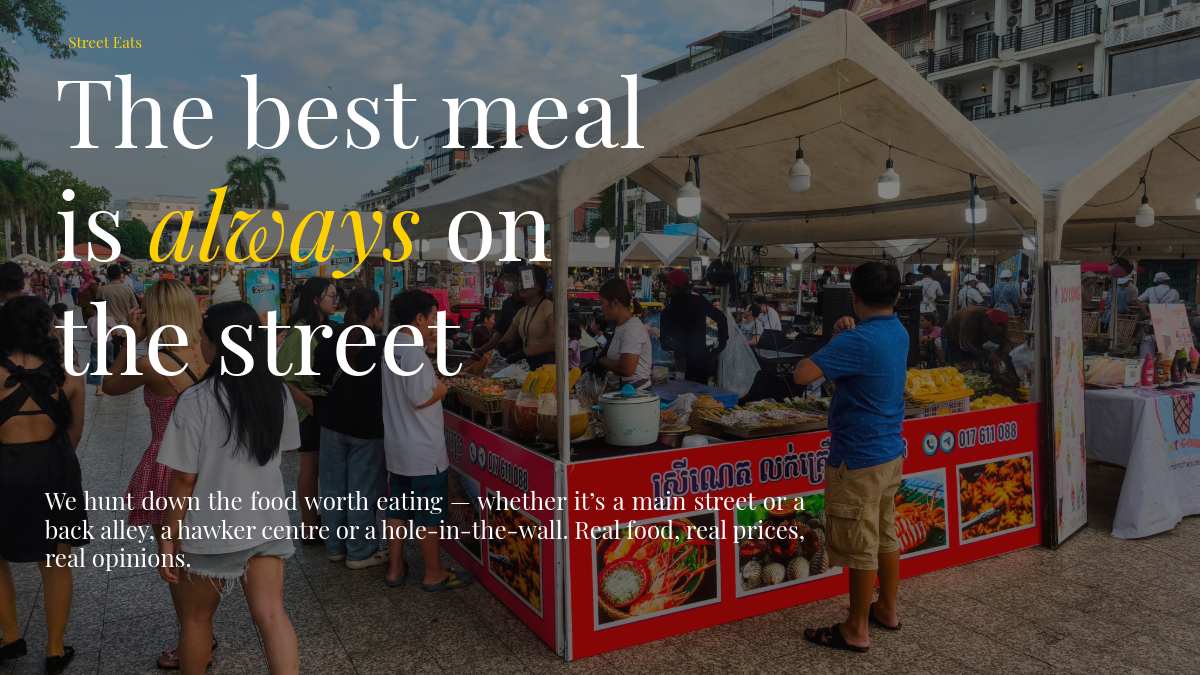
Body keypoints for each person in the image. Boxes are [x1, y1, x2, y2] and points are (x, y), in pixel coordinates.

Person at [156, 301, 300, 675]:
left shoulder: (196, 400)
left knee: (197, 620)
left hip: (213, 528)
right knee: (271, 614)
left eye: (203, 337)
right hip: (267, 521)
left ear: (219, 344)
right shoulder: (277, 392)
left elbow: (184, 479)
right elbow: (282, 451)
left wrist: (169, 536)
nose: (199, 343)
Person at [790, 262, 907, 653]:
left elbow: (802, 375)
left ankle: (856, 628)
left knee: (860, 545)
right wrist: (846, 337)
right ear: (898, 297)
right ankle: (887, 608)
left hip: (858, 457)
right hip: (890, 452)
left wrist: (835, 343)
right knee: (885, 535)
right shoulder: (898, 331)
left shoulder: (856, 342)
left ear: (854, 297)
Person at [99, 280, 208, 669]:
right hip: (208, 467)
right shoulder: (204, 352)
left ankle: (192, 641)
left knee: (175, 563)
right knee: (202, 558)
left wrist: (131, 338)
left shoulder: (152, 362)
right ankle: (204, 630)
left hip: (167, 466)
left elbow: (108, 387)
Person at [0, 297, 87, 674]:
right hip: (53, 469)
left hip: (3, 467)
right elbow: (74, 435)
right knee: (56, 560)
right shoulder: (68, 374)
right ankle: (54, 647)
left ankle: (11, 636)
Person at [382, 290, 473, 591]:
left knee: (397, 511)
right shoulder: (413, 353)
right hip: (422, 450)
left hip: (397, 447)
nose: (434, 324)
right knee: (428, 515)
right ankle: (433, 573)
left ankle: (395, 569)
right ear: (419, 318)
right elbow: (421, 397)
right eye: (432, 318)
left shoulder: (393, 344)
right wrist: (443, 388)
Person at [313, 288, 387, 570]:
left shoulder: (330, 337)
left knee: (332, 489)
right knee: (362, 491)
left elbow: (318, 375)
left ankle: (334, 547)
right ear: (376, 311)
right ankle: (359, 551)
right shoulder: (381, 345)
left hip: (332, 422)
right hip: (367, 427)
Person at [278, 277, 337, 531]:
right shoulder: (301, 332)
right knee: (309, 466)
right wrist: (308, 404)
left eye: (336, 296)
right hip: (309, 406)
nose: (336, 300)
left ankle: (319, 518)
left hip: (325, 403)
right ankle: (309, 524)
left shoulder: (329, 327)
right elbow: (282, 377)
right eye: (330, 296)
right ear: (315, 299)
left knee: (322, 467)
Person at [660, 269, 728, 384]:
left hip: (687, 366)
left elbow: (667, 342)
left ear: (676, 285)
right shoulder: (699, 301)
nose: (665, 286)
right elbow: (720, 321)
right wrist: (713, 349)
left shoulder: (674, 307)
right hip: (699, 364)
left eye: (668, 283)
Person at [480, 266, 555, 368]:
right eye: (520, 282)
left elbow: (555, 341)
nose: (521, 286)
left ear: (539, 287)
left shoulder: (548, 307)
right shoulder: (523, 311)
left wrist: (524, 353)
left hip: (548, 368)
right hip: (529, 366)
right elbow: (508, 336)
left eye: (526, 281)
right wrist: (500, 346)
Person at [597, 278, 653, 389]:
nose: (601, 308)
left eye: (602, 303)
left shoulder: (632, 329)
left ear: (615, 303)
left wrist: (603, 361)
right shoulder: (621, 326)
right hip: (624, 392)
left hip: (636, 396)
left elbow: (627, 369)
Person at [943, 306, 1012, 369]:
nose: (993, 333)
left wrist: (999, 354)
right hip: (953, 338)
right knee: (958, 366)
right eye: (992, 330)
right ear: (988, 322)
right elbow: (965, 345)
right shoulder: (971, 318)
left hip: (973, 339)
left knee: (976, 364)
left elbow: (1005, 342)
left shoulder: (1001, 324)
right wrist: (988, 355)